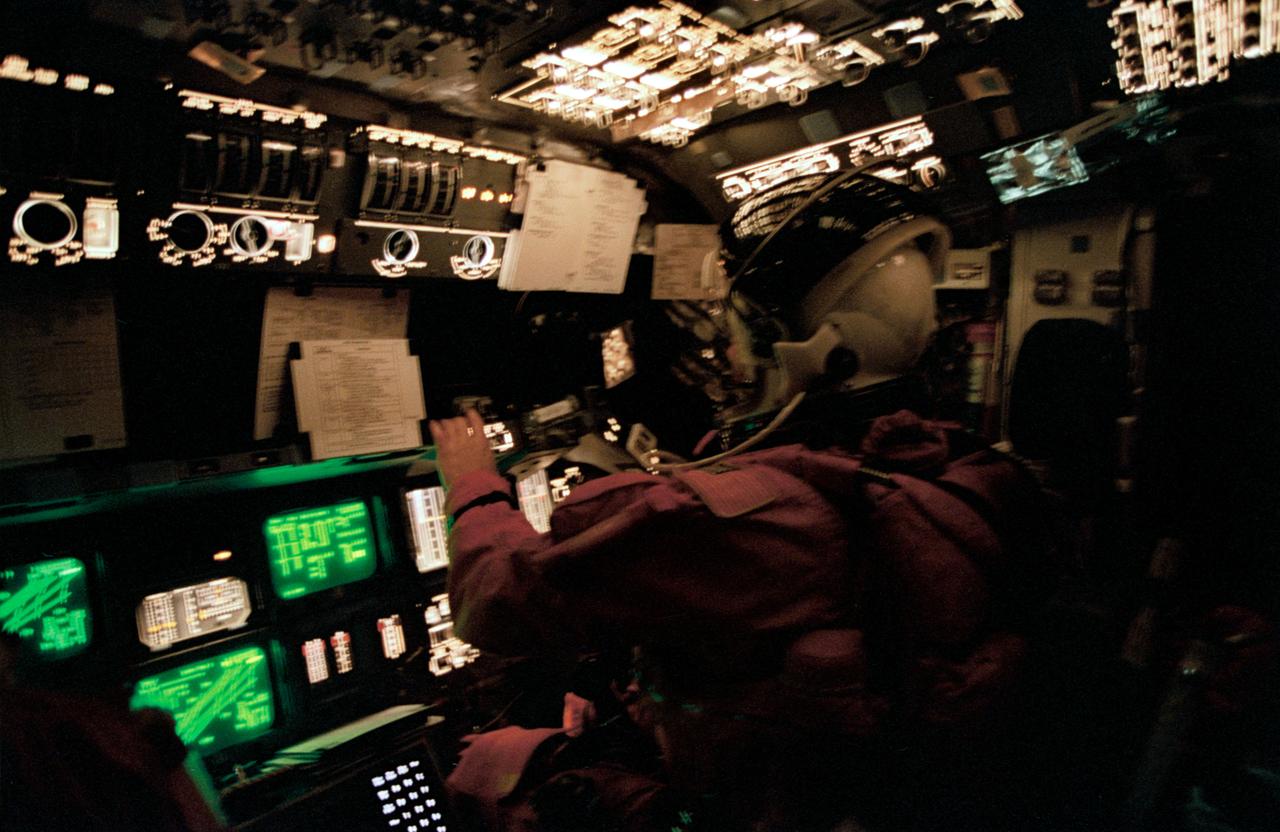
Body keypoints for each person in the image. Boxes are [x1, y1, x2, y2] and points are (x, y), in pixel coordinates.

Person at [431, 171, 1050, 831]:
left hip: (755, 807)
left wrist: (471, 483)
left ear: (819, 354)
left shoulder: (759, 515)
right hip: (878, 792)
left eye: (740, 332)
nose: (727, 352)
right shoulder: (958, 464)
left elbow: (495, 600)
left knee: (494, 771)